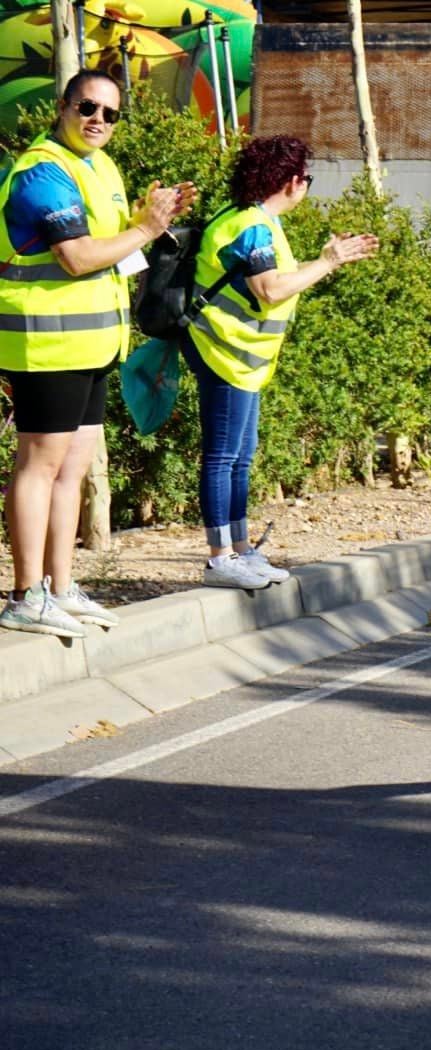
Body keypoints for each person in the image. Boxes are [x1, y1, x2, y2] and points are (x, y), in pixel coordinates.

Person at [0, 71, 196, 638]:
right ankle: (24, 594)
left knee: (73, 470)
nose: (99, 121)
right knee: (38, 468)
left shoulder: (100, 167)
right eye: (88, 107)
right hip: (47, 342)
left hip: (93, 341)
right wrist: (144, 228)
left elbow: (118, 250)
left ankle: (60, 588)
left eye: (111, 114)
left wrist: (148, 224)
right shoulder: (43, 171)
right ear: (63, 106)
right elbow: (78, 257)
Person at [183, 135, 378, 589]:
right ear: (291, 182)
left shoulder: (256, 221)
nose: (306, 185)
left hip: (242, 361)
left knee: (241, 457)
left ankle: (241, 549)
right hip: (224, 354)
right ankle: (220, 558)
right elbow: (269, 288)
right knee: (223, 456)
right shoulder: (249, 225)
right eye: (306, 178)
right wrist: (327, 261)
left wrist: (327, 260)